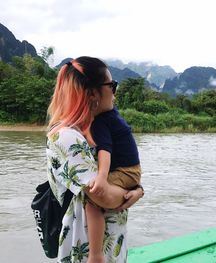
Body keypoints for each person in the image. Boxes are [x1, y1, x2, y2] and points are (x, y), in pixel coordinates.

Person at [46, 56, 144, 263]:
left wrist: (138, 190)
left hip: (111, 243)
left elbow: (118, 176)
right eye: (112, 85)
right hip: (87, 248)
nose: (115, 92)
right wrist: (132, 193)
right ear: (92, 93)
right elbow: (102, 196)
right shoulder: (66, 136)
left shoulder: (98, 128)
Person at [86, 86, 142, 262]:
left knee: (93, 200)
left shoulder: (101, 121)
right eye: (112, 86)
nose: (114, 92)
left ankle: (95, 255)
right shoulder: (111, 115)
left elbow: (105, 150)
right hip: (131, 171)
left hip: (125, 172)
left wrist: (101, 178)